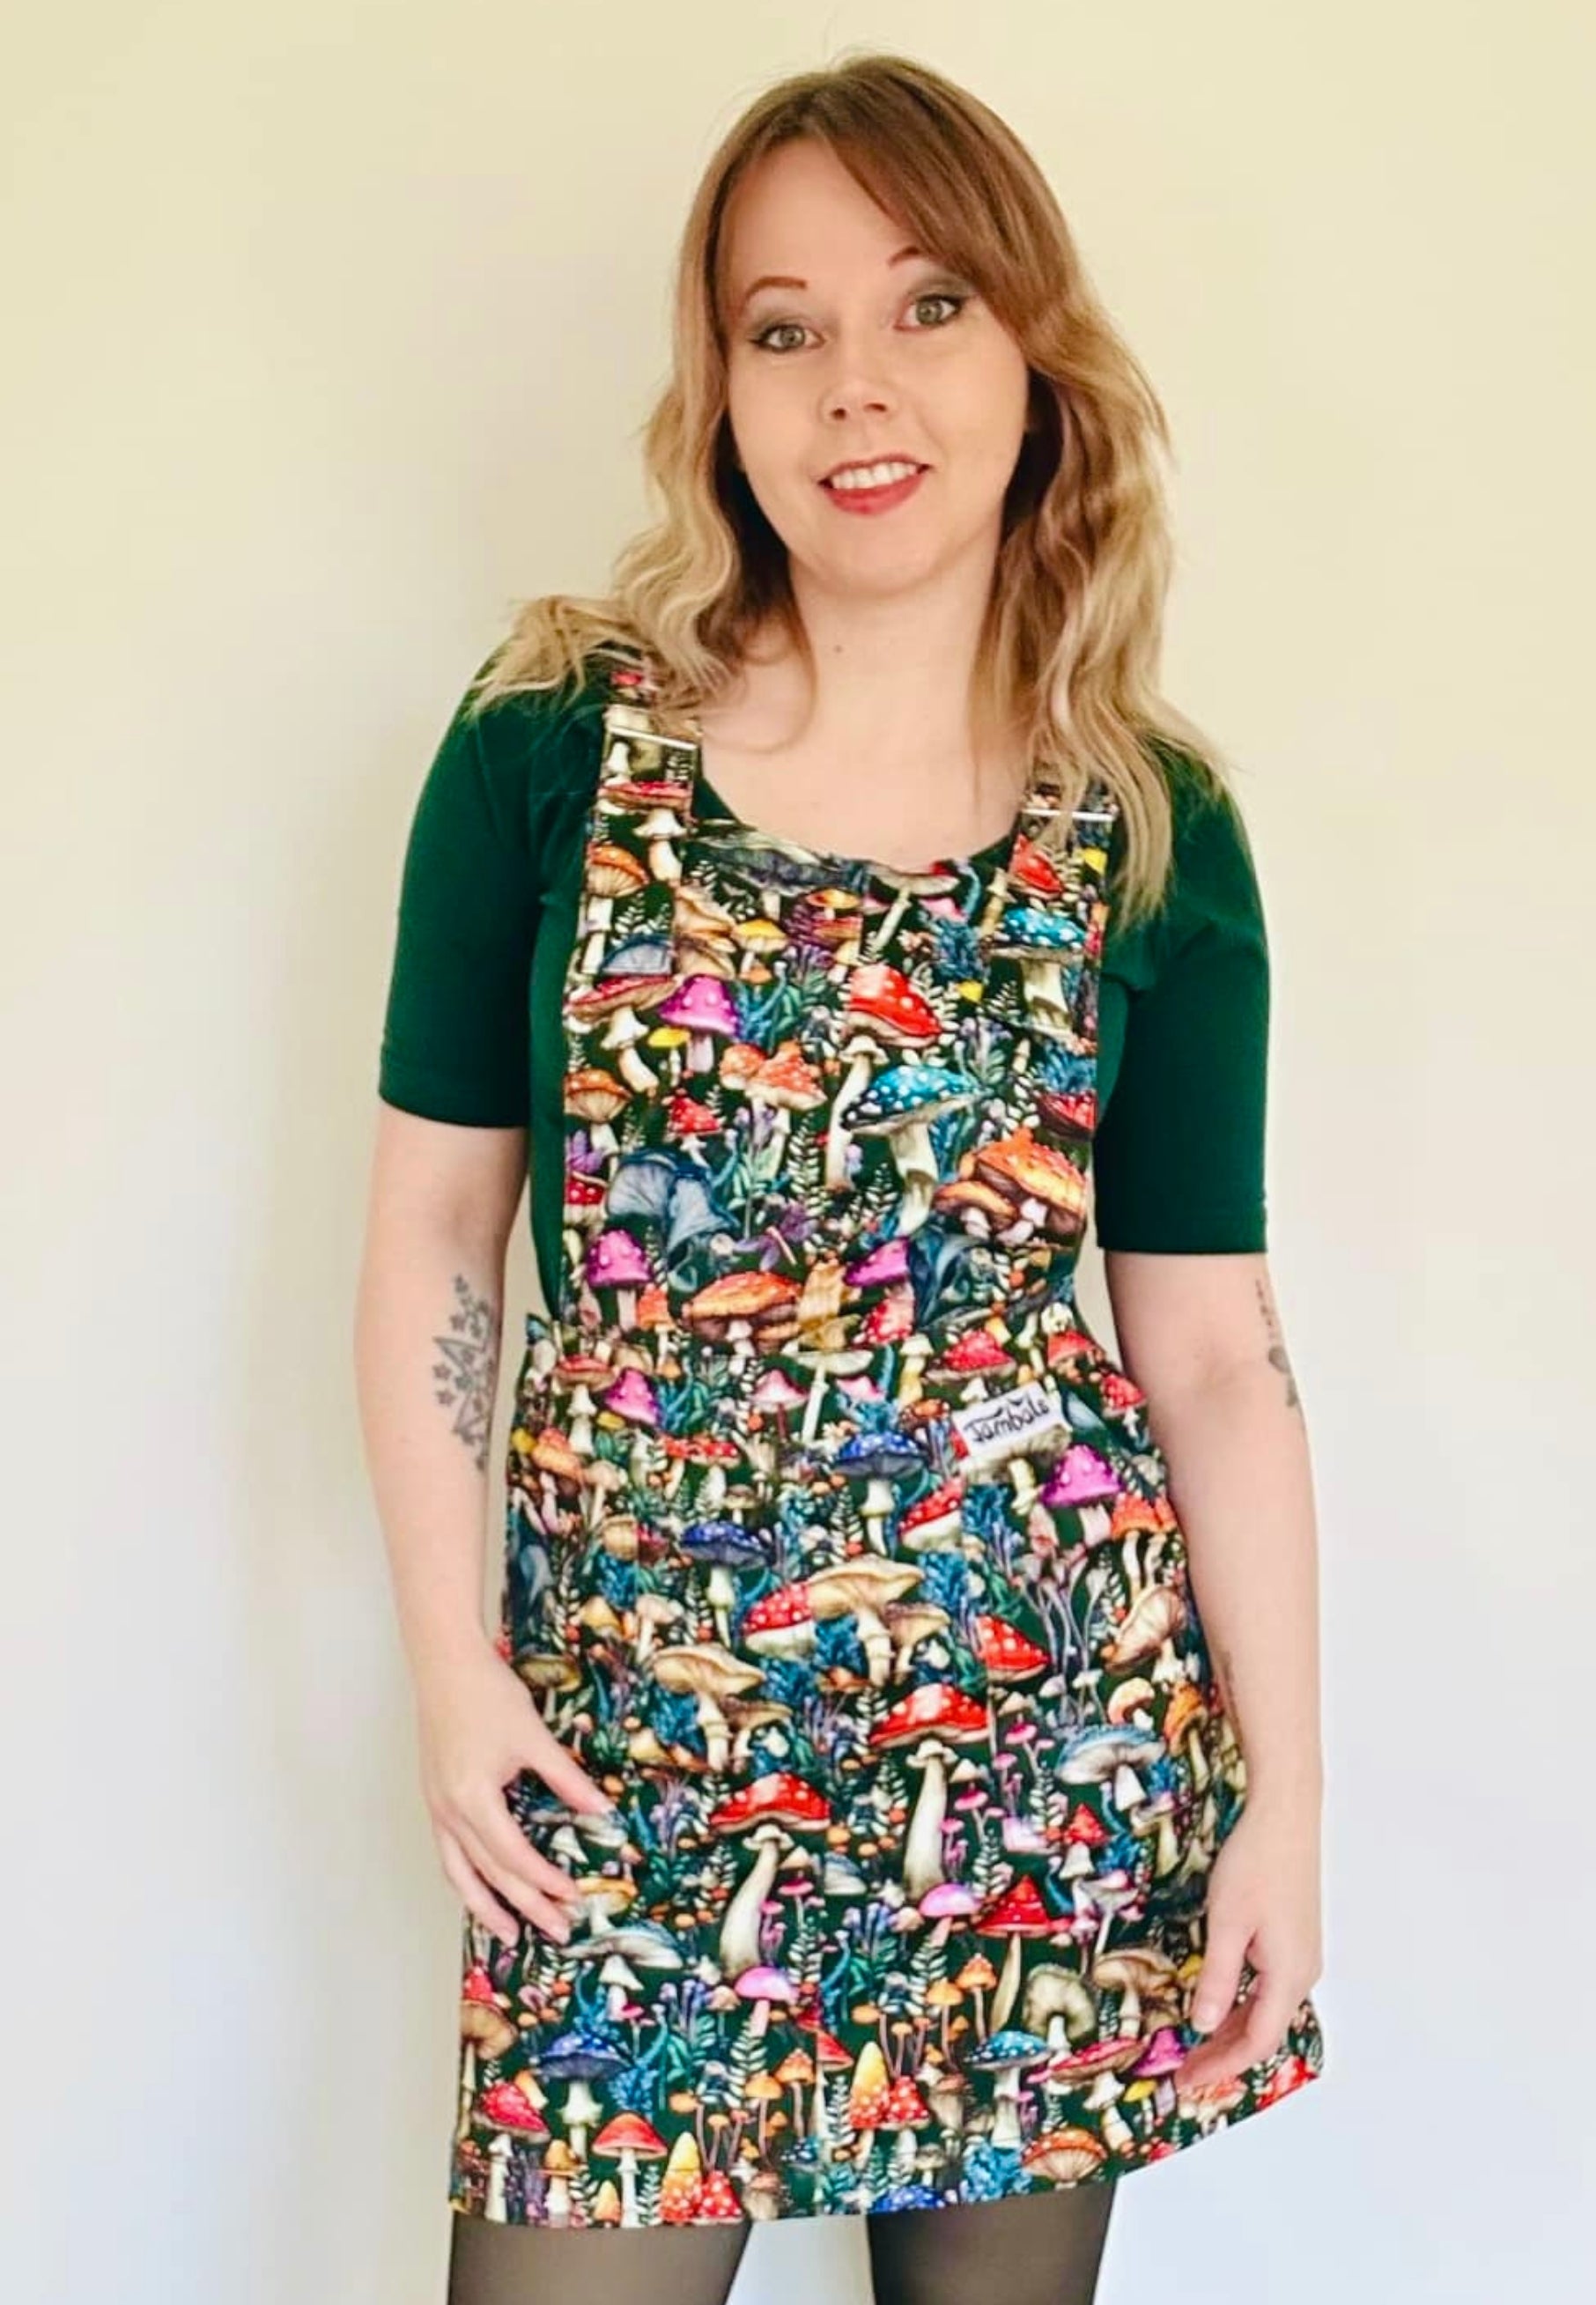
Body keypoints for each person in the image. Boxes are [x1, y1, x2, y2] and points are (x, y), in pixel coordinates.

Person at [354, 50, 1327, 2305]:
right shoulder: (548, 750)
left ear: (1032, 360)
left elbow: (1210, 1349)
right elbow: (431, 1225)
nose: (853, 387)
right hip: (622, 1741)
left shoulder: (1153, 831)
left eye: (925, 307)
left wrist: (1287, 1789)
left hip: (1040, 1745)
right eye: (782, 326)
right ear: (718, 387)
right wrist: (451, 1670)